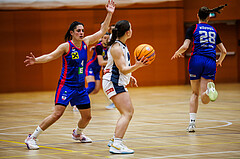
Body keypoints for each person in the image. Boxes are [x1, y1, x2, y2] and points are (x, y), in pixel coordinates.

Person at [23, 0, 115, 150]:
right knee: (57, 114)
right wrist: (36, 61)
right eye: (78, 30)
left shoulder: (86, 42)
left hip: (80, 87)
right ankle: (31, 137)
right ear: (71, 32)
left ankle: (77, 134)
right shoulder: (66, 46)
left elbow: (103, 30)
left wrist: (109, 13)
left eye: (82, 30)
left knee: (87, 117)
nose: (81, 33)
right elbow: (50, 56)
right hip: (66, 85)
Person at [171, 5, 227, 132]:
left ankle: (192, 124)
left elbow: (185, 46)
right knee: (205, 98)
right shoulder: (214, 30)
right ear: (208, 17)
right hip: (210, 62)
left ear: (197, 16)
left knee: (194, 93)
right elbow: (224, 51)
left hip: (196, 60)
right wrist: (219, 61)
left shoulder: (193, 28)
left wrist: (177, 52)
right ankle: (208, 91)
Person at [102, 20, 148, 154]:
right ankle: (117, 144)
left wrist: (129, 76)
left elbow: (120, 67)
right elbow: (122, 68)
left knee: (128, 112)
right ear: (128, 32)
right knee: (127, 112)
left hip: (116, 81)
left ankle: (114, 140)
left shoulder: (120, 45)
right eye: (131, 28)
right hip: (113, 82)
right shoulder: (116, 47)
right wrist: (137, 65)